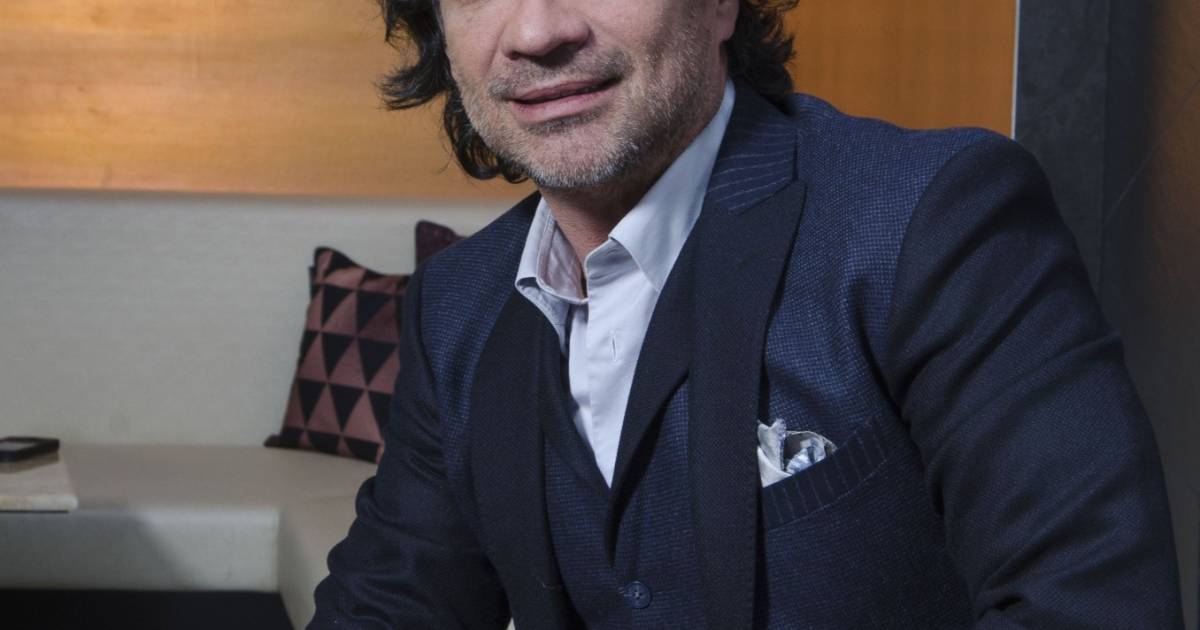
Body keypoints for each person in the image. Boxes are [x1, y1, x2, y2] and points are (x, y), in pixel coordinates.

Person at [311, 0, 1183, 627]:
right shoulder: (455, 308)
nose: (537, 31)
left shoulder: (931, 222)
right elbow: (387, 606)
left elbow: (1092, 605)